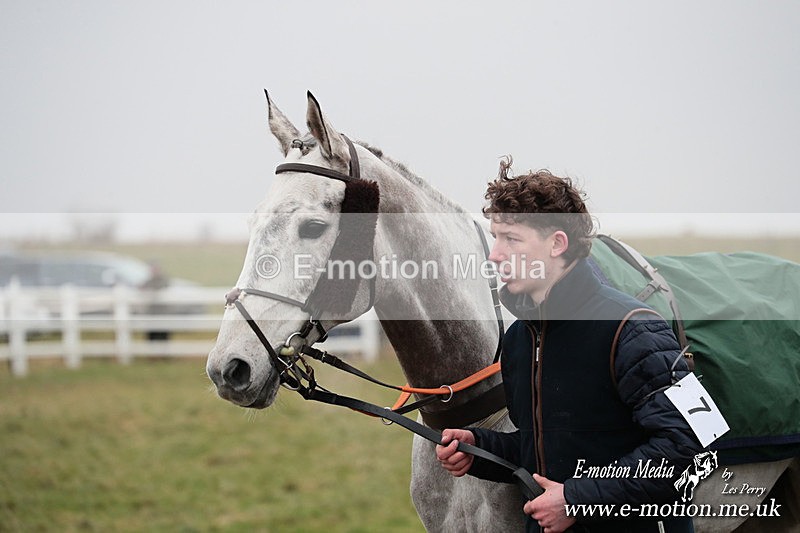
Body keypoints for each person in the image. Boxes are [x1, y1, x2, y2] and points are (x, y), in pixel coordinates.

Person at [436, 159, 703, 533]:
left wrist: (578, 498)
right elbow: (543, 450)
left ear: (557, 244)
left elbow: (691, 446)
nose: (494, 254)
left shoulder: (636, 329)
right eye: (495, 237)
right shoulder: (519, 340)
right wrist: (479, 448)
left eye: (511, 239)